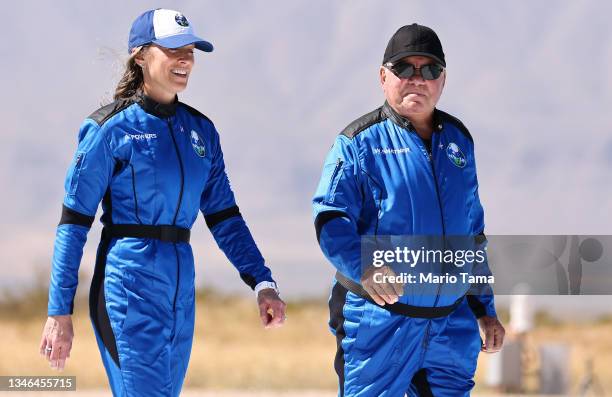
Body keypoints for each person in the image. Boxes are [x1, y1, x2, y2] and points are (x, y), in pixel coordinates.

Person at [39, 8, 286, 396]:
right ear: (140, 55)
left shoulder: (201, 131)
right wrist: (59, 311)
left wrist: (262, 281)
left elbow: (225, 218)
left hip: (180, 291)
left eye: (190, 50)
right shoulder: (109, 130)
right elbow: (73, 225)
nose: (185, 59)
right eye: (173, 49)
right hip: (127, 288)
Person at [312, 24, 505, 396]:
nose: (418, 79)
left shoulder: (459, 141)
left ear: (443, 80)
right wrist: (364, 266)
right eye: (404, 69)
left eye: (429, 69)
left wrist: (484, 308)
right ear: (383, 77)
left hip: (450, 329)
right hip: (380, 325)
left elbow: (473, 232)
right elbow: (329, 219)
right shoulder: (357, 143)